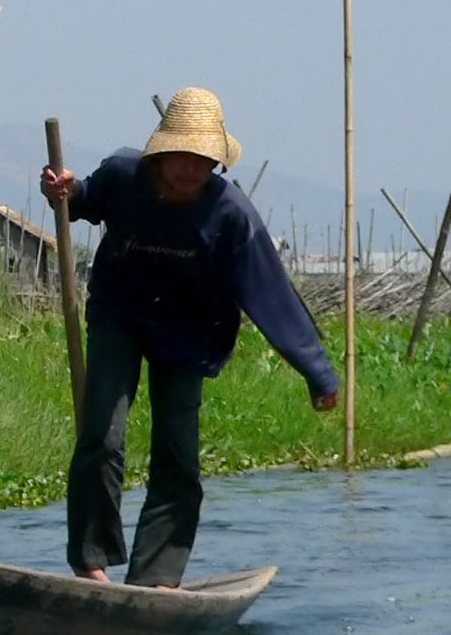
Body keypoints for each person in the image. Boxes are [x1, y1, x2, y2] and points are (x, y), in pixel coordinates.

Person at [39, 86, 338, 587]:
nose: (189, 171)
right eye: (180, 158)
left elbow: (272, 296)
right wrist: (64, 191)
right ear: (161, 154)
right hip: (121, 316)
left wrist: (318, 373)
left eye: (201, 161)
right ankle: (90, 562)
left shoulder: (231, 215)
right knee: (102, 433)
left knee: (177, 452)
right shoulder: (123, 174)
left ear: (215, 163)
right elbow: (83, 201)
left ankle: (156, 576)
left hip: (191, 331)